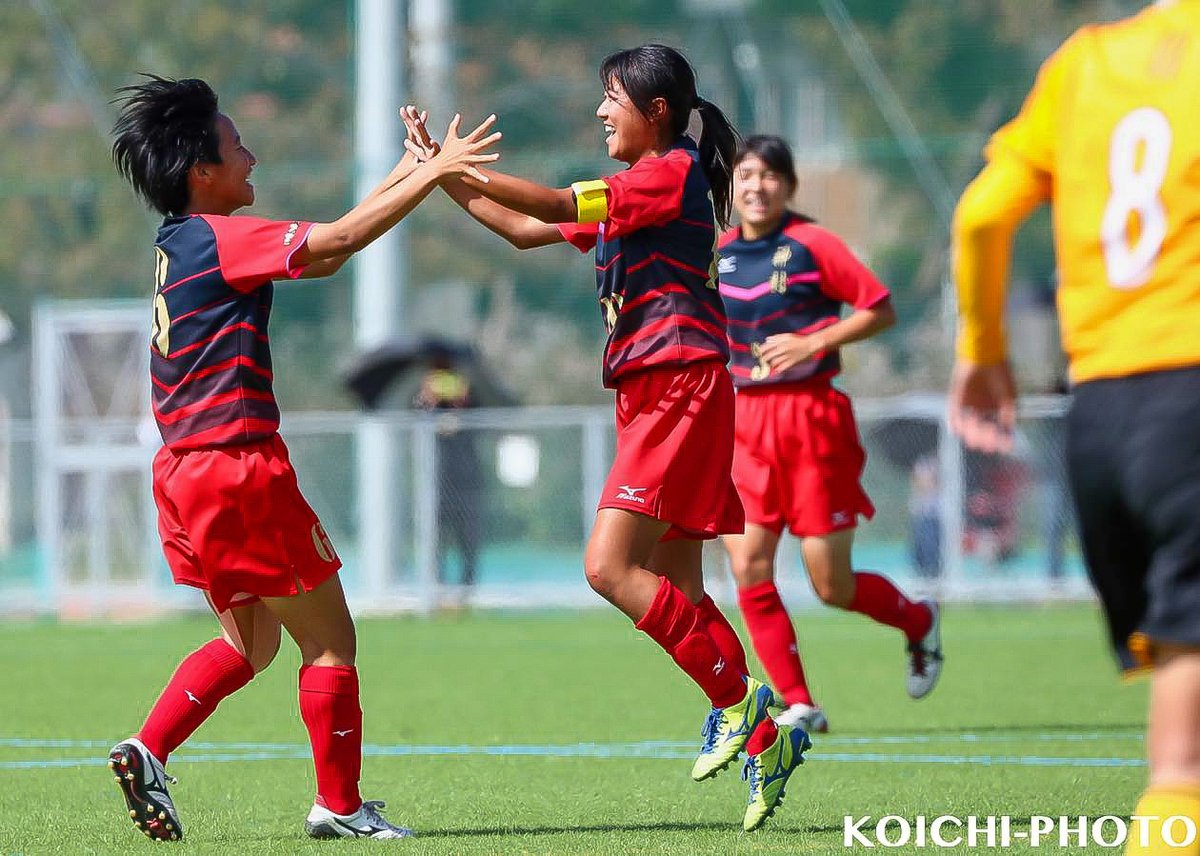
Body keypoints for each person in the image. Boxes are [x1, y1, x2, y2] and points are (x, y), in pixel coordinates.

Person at [402, 45, 808, 832]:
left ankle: (741, 703)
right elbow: (525, 229)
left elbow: (552, 202)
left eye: (610, 99)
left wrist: (451, 167)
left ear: (655, 111)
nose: (599, 113)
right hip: (657, 391)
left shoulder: (666, 175)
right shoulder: (642, 192)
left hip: (678, 386)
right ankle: (765, 738)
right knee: (680, 589)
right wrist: (436, 174)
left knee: (606, 567)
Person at [107, 75, 498, 842]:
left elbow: (328, 240)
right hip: (236, 465)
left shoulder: (180, 244)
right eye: (235, 146)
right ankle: (341, 807)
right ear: (201, 172)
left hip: (184, 473)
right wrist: (434, 173)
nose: (251, 156)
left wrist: (408, 165)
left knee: (249, 644)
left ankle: (147, 748)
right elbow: (341, 244)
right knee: (331, 643)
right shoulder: (218, 236)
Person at [950, 4, 1200, 852]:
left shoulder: (1083, 62)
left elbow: (982, 216)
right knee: (1183, 764)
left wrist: (983, 351)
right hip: (1194, 398)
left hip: (1103, 414)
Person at [716, 135, 942, 735]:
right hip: (745, 425)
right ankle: (797, 700)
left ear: (788, 186)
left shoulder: (814, 245)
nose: (755, 186)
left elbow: (879, 307)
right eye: (744, 175)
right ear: (732, 187)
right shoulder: (718, 254)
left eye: (768, 175)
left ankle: (919, 621)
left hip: (812, 420)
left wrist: (814, 341)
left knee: (830, 585)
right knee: (748, 566)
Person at [413, 359, 485, 597]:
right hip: (436, 482)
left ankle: (466, 590)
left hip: (467, 481)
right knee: (436, 538)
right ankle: (438, 588)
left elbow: (484, 416)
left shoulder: (469, 396)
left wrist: (462, 401)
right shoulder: (427, 399)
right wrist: (428, 399)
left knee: (468, 538)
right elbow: (414, 415)